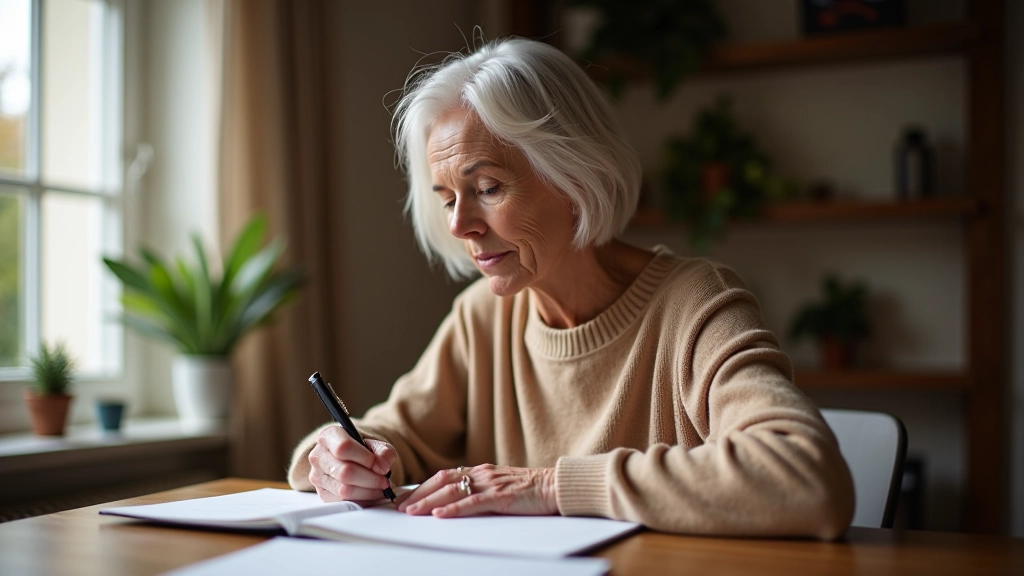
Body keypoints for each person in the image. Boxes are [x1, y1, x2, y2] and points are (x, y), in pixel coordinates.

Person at [287, 37, 855, 539]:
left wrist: (554, 487)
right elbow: (391, 434)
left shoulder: (694, 303)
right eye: (446, 198)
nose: (460, 225)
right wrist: (341, 460)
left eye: (487, 187)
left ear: (575, 176)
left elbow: (805, 476)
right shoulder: (482, 318)